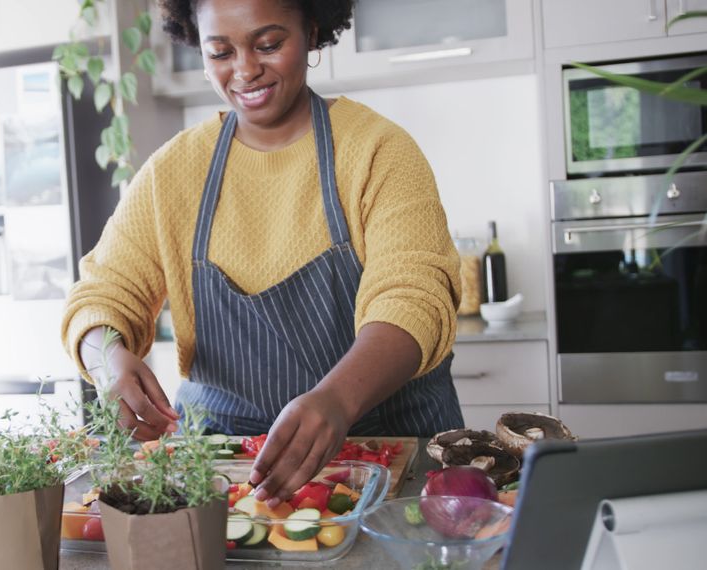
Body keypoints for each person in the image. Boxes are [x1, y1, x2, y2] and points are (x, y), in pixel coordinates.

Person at [61, 0, 465, 506]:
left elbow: (415, 294)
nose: (245, 69)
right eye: (220, 52)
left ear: (311, 31)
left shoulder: (377, 149)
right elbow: (102, 291)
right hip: (226, 463)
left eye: (269, 44)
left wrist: (338, 398)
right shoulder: (174, 171)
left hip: (385, 447)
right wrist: (110, 362)